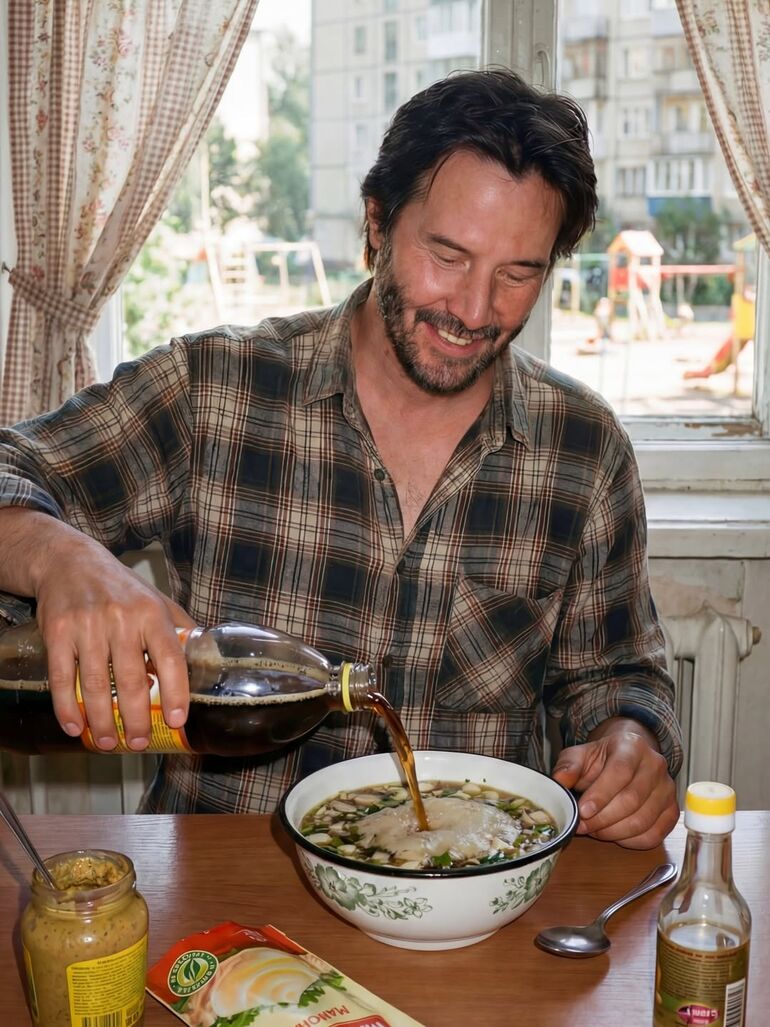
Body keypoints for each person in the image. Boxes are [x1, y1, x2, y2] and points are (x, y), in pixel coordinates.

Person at [0, 69, 682, 847]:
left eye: (517, 273)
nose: (473, 309)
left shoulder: (583, 451)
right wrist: (60, 558)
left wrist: (630, 741)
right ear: (377, 223)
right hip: (229, 888)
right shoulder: (213, 391)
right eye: (448, 256)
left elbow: (617, 675)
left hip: (469, 888)